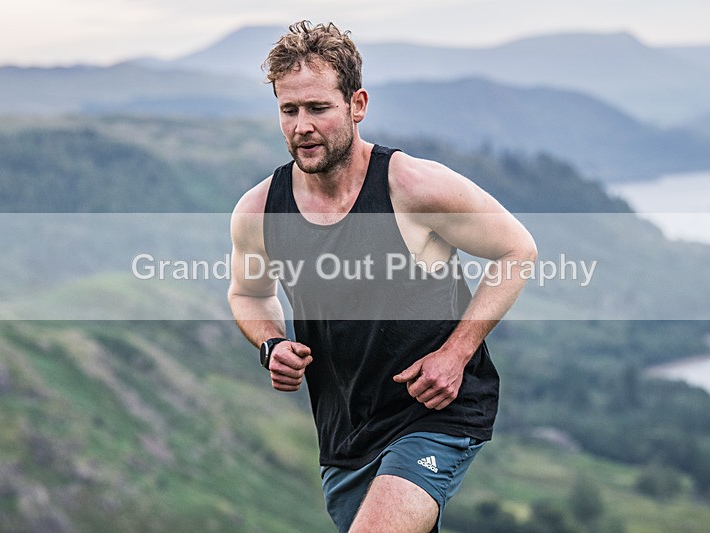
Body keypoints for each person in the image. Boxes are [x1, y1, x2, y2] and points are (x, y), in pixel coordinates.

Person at [228, 20, 537, 533]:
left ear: (357, 104)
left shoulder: (413, 187)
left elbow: (517, 250)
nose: (302, 125)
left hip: (434, 414)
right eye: (289, 110)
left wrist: (456, 353)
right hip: (345, 434)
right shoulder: (260, 211)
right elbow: (247, 292)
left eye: (318, 108)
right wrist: (271, 344)